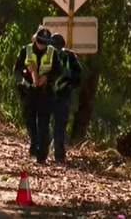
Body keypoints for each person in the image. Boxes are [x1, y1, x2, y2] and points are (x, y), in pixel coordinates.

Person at [13, 27, 63, 164]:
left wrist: (47, 78)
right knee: (30, 121)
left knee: (43, 123)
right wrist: (26, 73)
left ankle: (42, 154)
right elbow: (16, 70)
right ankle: (34, 144)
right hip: (29, 91)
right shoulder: (26, 50)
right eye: (41, 42)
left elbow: (58, 70)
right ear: (36, 40)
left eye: (45, 43)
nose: (43, 46)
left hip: (45, 93)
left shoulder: (52, 52)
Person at [50, 33, 83, 163]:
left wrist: (68, 78)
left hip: (62, 95)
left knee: (59, 125)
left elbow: (78, 75)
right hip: (49, 94)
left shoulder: (69, 57)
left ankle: (58, 154)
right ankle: (47, 152)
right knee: (47, 124)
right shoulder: (46, 55)